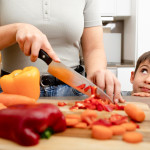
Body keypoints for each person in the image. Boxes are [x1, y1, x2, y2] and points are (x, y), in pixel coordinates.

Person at [0, 0, 124, 103]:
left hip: (73, 91)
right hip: (13, 92)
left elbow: (94, 48)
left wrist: (97, 71)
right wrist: (16, 30)